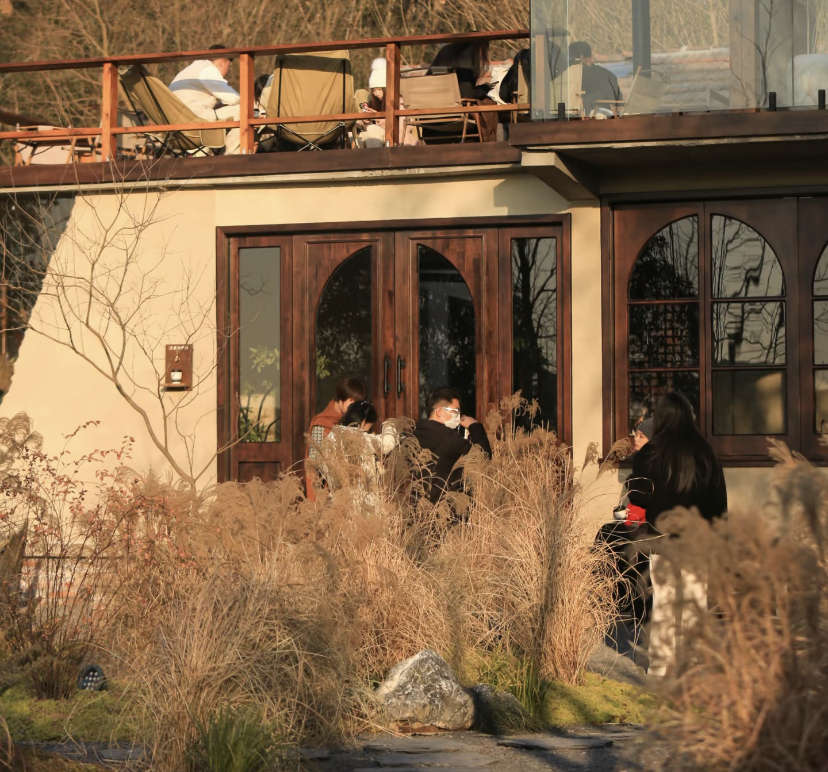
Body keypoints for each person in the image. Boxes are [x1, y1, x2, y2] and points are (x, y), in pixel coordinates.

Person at [627, 392, 727, 676]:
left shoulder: (651, 453)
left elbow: (637, 495)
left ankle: (660, 668)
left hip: (662, 539)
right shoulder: (705, 452)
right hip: (698, 538)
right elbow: (719, 500)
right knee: (695, 600)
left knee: (664, 602)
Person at [412, 387, 492, 505]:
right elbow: (483, 458)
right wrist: (474, 426)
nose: (458, 417)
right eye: (455, 412)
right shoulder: (450, 438)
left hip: (415, 506)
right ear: (439, 412)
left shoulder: (413, 434)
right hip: (443, 507)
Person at [321, 399, 399, 503]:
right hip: (361, 501)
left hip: (337, 499)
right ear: (363, 422)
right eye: (369, 428)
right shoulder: (359, 438)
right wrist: (390, 425)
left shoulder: (330, 438)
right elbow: (387, 444)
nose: (368, 432)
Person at [170, 44, 241, 154]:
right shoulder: (208, 70)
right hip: (194, 123)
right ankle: (233, 155)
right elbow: (233, 98)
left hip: (176, 126)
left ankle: (201, 155)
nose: (228, 71)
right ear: (222, 62)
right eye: (229, 66)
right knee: (243, 110)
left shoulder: (190, 70)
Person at [305, 376, 367, 498]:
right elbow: (313, 466)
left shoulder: (350, 423)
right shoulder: (321, 425)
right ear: (341, 399)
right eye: (352, 403)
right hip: (325, 495)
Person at [428, 41, 498, 141]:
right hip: (453, 120)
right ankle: (489, 142)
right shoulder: (466, 57)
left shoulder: (445, 54)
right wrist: (485, 88)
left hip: (429, 120)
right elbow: (466, 94)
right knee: (489, 105)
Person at [568, 41, 622, 117]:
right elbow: (619, 102)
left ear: (580, 57)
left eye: (570, 58)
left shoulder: (577, 75)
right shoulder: (608, 74)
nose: (569, 62)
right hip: (610, 116)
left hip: (590, 117)